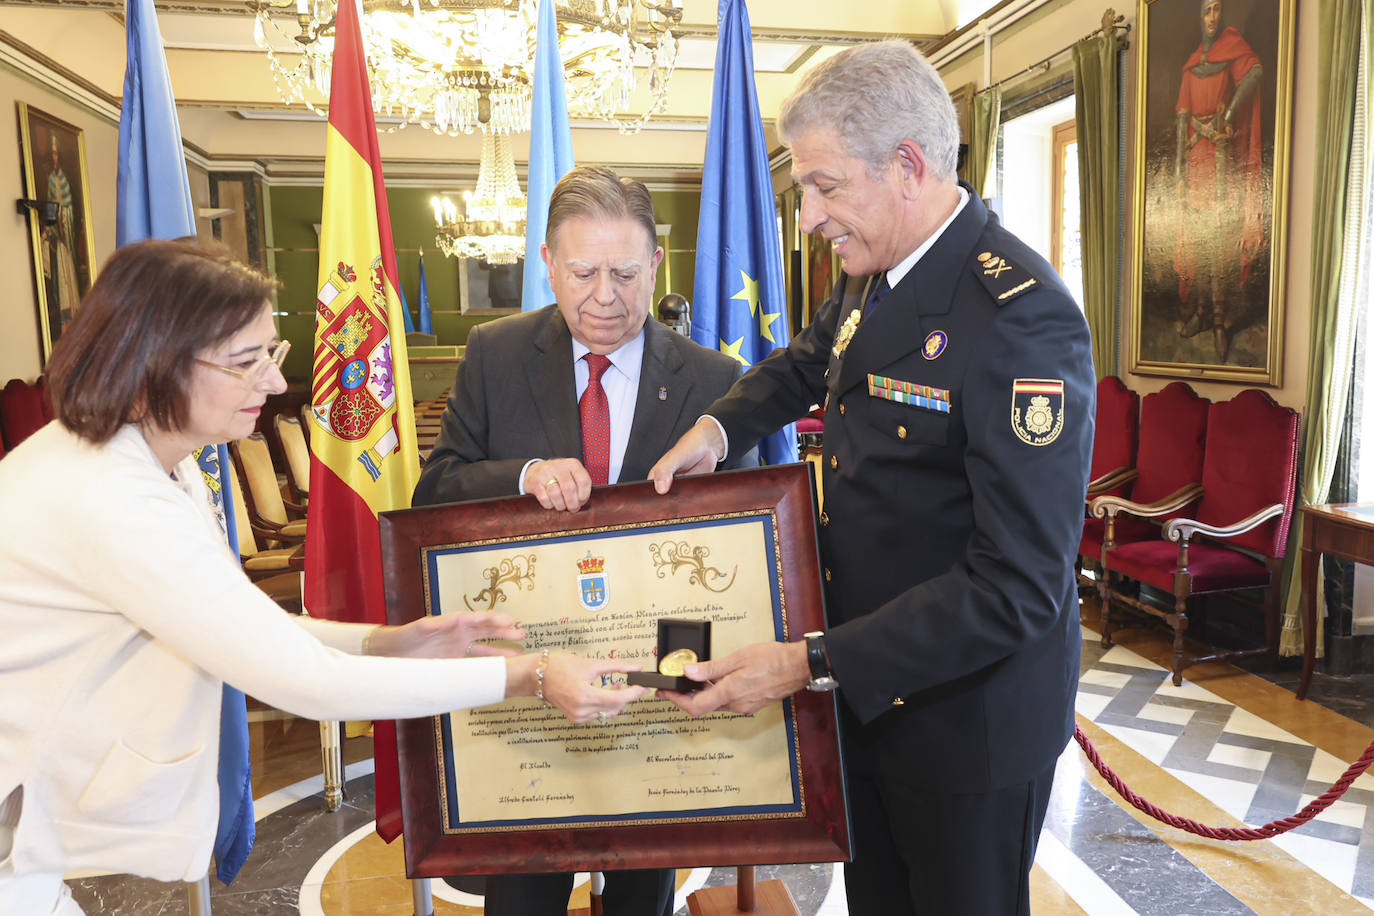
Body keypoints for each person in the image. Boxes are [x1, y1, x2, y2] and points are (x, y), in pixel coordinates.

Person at [0, 239, 647, 916]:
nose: (277, 385)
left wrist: (383, 642)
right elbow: (306, 684)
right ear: (154, 360)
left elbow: (237, 622)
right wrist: (529, 676)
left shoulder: (157, 461)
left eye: (271, 356)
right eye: (248, 362)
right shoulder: (108, 498)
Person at [648, 40, 1095, 916]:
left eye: (824, 185)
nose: (810, 215)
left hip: (968, 724)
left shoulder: (1021, 320)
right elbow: (809, 360)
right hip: (869, 691)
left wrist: (809, 661)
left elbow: (1017, 588)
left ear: (907, 167)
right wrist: (716, 427)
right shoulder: (878, 273)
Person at [414, 165, 758, 915]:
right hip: (536, 675)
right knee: (524, 899)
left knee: (644, 896)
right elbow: (435, 491)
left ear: (657, 264)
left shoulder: (715, 382)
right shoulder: (495, 354)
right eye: (583, 271)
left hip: (662, 682)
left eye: (625, 273)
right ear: (546, 262)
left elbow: (750, 539)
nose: (604, 295)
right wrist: (526, 474)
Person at [1174, 0, 1263, 361]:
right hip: (1196, 158)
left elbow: (1255, 72)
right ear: (1200, 15)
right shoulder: (1192, 64)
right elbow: (1182, 119)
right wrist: (1179, 171)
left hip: (1222, 158)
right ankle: (1200, 312)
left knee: (1218, 244)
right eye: (1206, 10)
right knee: (1197, 238)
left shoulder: (1233, 45)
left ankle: (1218, 321)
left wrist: (1227, 114)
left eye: (1216, 9)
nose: (1212, 17)